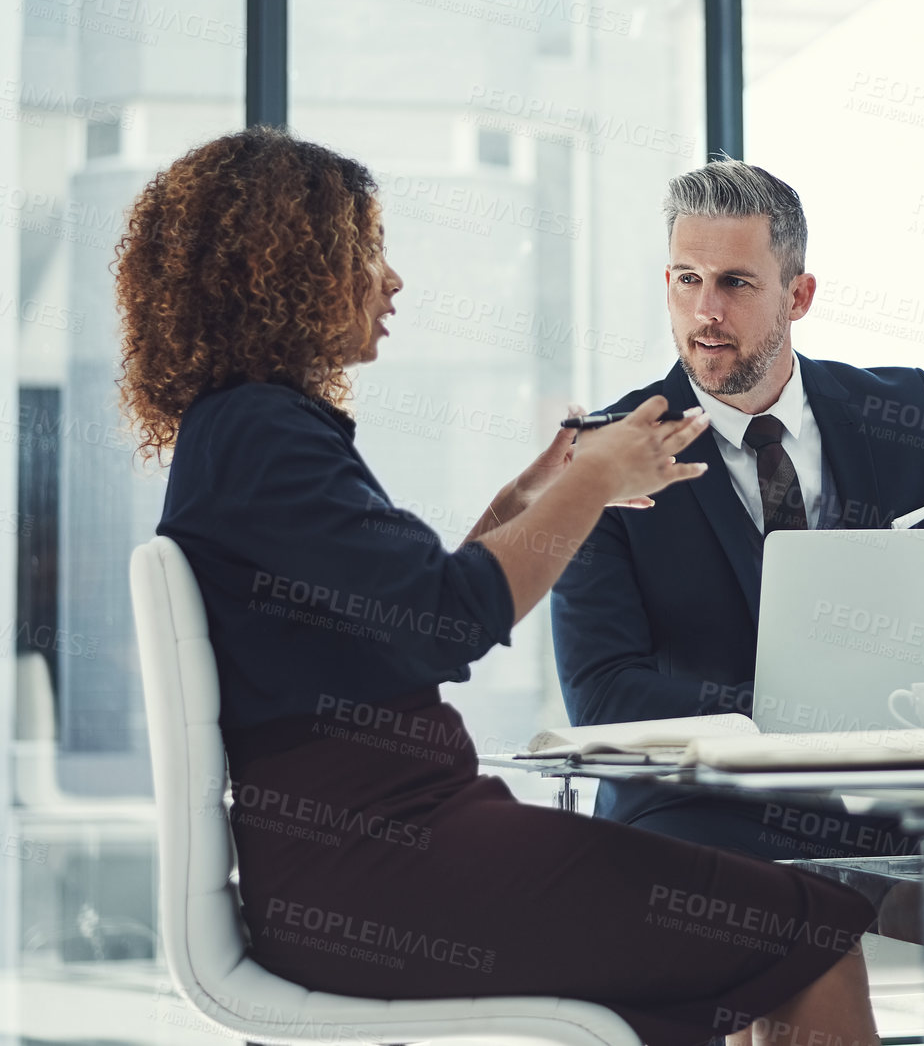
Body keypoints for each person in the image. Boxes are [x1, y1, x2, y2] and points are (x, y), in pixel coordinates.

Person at [127, 128, 879, 1046]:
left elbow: (405, 621)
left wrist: (526, 494)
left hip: (380, 848)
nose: (392, 280)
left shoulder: (248, 432)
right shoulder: (264, 435)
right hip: (382, 863)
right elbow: (450, 623)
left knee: (752, 941)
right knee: (811, 929)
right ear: (286, 272)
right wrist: (592, 482)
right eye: (366, 252)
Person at [552, 158, 924, 859]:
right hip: (706, 807)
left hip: (920, 795)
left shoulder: (905, 413)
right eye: (687, 281)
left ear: (798, 295)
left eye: (735, 282)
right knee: (766, 917)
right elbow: (601, 694)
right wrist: (812, 717)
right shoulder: (606, 454)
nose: (707, 311)